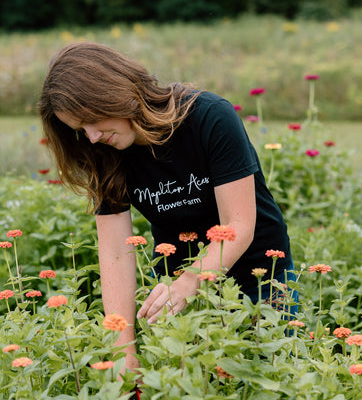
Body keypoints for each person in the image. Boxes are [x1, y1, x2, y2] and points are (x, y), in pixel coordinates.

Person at [38, 41, 296, 375]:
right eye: (79, 130)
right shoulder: (104, 152)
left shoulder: (209, 117)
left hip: (259, 280)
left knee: (268, 381)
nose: (92, 136)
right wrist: (123, 348)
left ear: (116, 94)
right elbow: (116, 253)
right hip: (175, 292)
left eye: (92, 119)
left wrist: (189, 283)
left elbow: (239, 225)